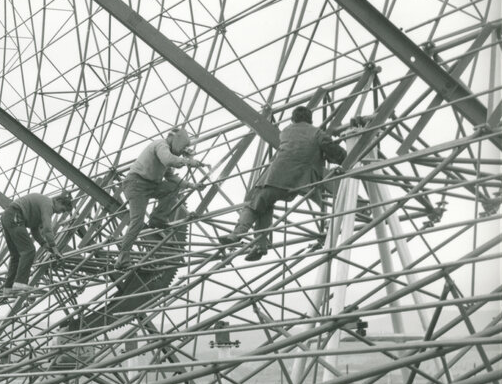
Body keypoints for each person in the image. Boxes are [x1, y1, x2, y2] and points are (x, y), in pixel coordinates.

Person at [221, 106, 347, 261]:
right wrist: (346, 159)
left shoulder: (286, 132)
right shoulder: (317, 133)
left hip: (276, 178)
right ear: (310, 119)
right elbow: (333, 150)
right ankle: (260, 245)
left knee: (254, 204)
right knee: (265, 204)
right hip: (302, 181)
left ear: (293, 119)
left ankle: (238, 234)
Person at [115, 126, 206, 268]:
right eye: (182, 146)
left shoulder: (167, 152)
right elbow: (169, 160)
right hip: (136, 185)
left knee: (172, 188)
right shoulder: (161, 145)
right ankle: (122, 257)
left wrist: (192, 185)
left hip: (149, 185)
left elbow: (172, 177)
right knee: (137, 222)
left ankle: (158, 218)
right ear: (174, 138)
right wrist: (188, 161)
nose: (183, 149)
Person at [1, 190, 74, 292]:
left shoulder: (42, 205)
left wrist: (44, 244)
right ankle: (20, 282)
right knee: (29, 251)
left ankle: (8, 288)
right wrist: (55, 249)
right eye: (62, 209)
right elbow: (47, 229)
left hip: (8, 216)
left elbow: (35, 230)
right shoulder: (48, 205)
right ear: (58, 202)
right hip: (15, 215)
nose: (60, 212)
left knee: (16, 255)